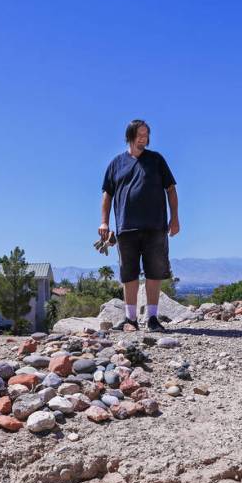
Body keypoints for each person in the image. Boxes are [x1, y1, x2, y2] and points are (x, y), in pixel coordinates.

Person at [99, 119, 179, 332]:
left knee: (155, 272)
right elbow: (107, 193)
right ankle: (131, 319)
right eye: (140, 134)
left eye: (146, 134)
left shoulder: (156, 160)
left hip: (156, 226)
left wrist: (175, 218)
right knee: (129, 274)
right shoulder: (116, 163)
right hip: (126, 227)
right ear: (130, 136)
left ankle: (152, 319)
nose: (144, 138)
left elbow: (171, 189)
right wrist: (104, 222)